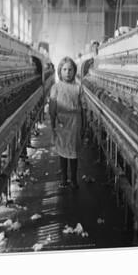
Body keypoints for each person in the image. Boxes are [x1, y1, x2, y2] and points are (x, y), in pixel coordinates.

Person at [49, 57, 85, 189]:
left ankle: (74, 179)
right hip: (61, 122)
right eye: (64, 69)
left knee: (74, 152)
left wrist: (84, 126)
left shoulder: (78, 88)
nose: (67, 72)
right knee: (62, 151)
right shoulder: (56, 87)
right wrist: (52, 125)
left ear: (74, 71)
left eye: (70, 69)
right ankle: (64, 178)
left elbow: (83, 108)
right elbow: (52, 108)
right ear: (60, 71)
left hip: (75, 122)